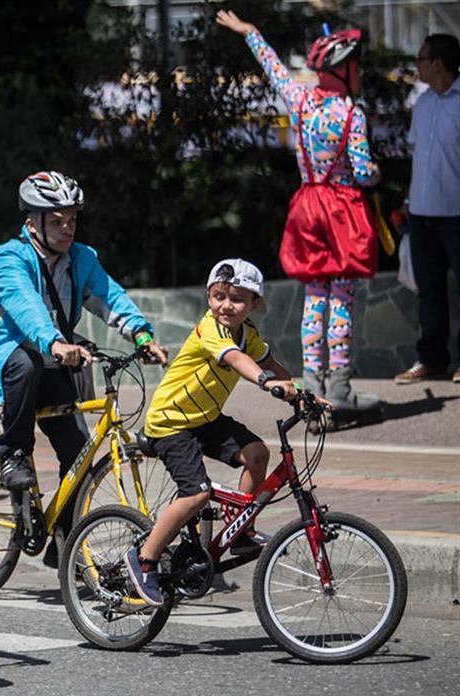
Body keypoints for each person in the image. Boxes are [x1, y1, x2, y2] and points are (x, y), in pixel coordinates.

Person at [0, 170, 167, 565]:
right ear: (31, 223)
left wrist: (141, 335)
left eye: (72, 219)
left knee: (78, 454)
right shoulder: (10, 258)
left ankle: (65, 543)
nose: (67, 228)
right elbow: (26, 306)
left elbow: (109, 297)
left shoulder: (81, 259)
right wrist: (54, 342)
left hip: (51, 363)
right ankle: (11, 454)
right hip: (2, 357)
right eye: (56, 221)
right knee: (24, 363)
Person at [218, 10, 380, 413]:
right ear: (343, 71)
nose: (359, 73)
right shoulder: (351, 114)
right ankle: (340, 390)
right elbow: (363, 172)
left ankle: (313, 384)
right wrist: (376, 173)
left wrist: (251, 31)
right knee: (341, 297)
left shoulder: (300, 101)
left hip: (307, 206)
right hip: (342, 209)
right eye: (356, 67)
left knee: (315, 296)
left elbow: (274, 69)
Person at [124, 260, 297, 605]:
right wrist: (266, 383)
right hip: (171, 422)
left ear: (254, 304)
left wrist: (301, 393)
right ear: (208, 297)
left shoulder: (247, 333)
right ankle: (144, 560)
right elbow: (237, 360)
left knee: (257, 454)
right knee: (197, 495)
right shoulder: (210, 329)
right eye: (219, 297)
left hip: (203, 418)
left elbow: (268, 363)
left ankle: (240, 531)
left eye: (237, 299)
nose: (226, 306)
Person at [395, 33, 460, 384]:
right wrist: (408, 202)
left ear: (437, 64)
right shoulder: (422, 104)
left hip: (456, 212)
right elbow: (418, 158)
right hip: (421, 212)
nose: (416, 65)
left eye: (420, 59)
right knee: (429, 291)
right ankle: (432, 360)